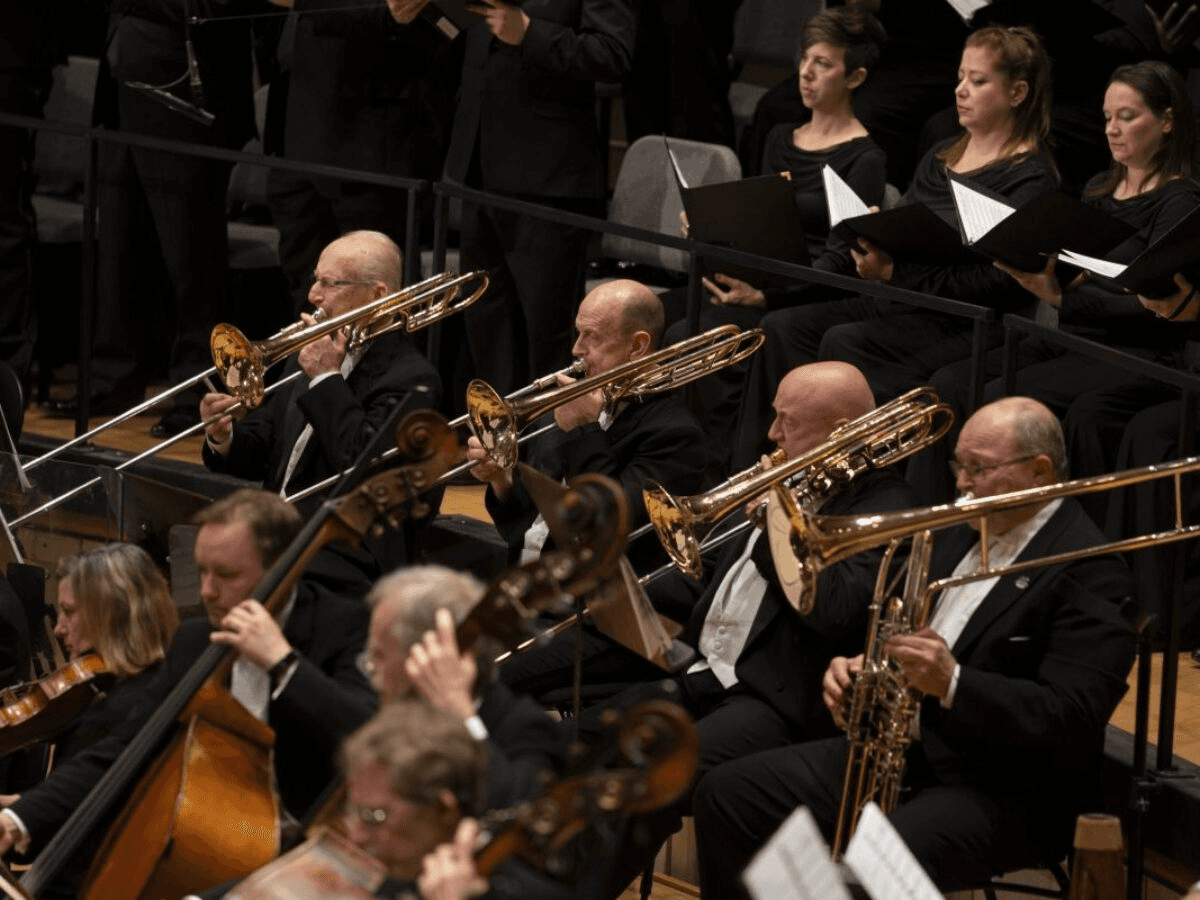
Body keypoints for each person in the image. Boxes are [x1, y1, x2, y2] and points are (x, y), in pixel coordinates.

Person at [693, 397, 1137, 897]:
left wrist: (953, 683)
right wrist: (862, 667)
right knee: (728, 794)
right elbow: (900, 635)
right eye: (958, 466)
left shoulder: (1092, 569)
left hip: (1002, 785)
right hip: (901, 751)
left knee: (871, 866)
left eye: (979, 469)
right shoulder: (955, 532)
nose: (962, 484)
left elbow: (1073, 715)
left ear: (1040, 470)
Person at [589, 361, 919, 898]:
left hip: (777, 700)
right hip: (705, 672)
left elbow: (833, 609)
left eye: (787, 421)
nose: (771, 434)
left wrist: (774, 526)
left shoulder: (887, 509)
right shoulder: (800, 479)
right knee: (590, 742)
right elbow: (714, 582)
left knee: (650, 778)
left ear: (840, 430)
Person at [0, 489, 377, 872]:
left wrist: (282, 662)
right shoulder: (196, 640)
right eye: (202, 572)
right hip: (208, 845)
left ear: (284, 567)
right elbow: (123, 748)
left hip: (311, 853)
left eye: (225, 575)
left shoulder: (345, 626)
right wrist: (19, 818)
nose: (206, 591)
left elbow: (369, 739)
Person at [734, 25, 1058, 467]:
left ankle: (839, 474)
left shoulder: (1030, 178)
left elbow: (1000, 283)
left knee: (844, 341)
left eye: (978, 80)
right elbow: (904, 230)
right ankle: (763, 466)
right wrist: (873, 234)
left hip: (962, 320)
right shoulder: (941, 154)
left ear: (1017, 92)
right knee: (782, 327)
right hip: (902, 298)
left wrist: (894, 272)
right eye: (961, 77)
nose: (961, 90)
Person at [915, 61, 1200, 506]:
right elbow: (1081, 275)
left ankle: (1015, 513)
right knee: (951, 381)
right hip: (1071, 335)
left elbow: (1154, 309)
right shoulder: (1098, 188)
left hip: (1133, 351)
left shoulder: (1180, 200)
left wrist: (1063, 297)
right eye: (1107, 117)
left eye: (1127, 117)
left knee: (1001, 398)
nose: (1111, 129)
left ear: (1166, 121)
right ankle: (939, 510)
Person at [669, 4, 887, 472]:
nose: (806, 72)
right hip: (758, 281)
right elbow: (755, 216)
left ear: (855, 77)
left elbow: (841, 261)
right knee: (673, 318)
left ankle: (719, 471)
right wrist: (710, 226)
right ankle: (670, 463)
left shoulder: (865, 158)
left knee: (705, 338)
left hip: (804, 295)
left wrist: (767, 294)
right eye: (805, 58)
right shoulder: (780, 136)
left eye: (822, 63)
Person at [48, 0, 255, 437]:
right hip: (124, 89)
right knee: (118, 245)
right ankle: (113, 379)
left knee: (191, 259)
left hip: (185, 96)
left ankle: (198, 391)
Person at [202, 230, 441, 588]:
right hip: (281, 536)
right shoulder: (310, 353)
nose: (313, 295)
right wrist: (223, 436)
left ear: (378, 294)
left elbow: (360, 463)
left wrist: (327, 378)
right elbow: (266, 447)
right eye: (316, 280)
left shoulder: (411, 378)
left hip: (346, 552)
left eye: (330, 283)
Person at [440, 0, 636, 406]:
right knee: (485, 322)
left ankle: (548, 440)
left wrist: (530, 33)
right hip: (479, 165)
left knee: (548, 335)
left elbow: (613, 55)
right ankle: (496, 436)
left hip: (548, 176)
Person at [466, 279, 708, 576]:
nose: (576, 348)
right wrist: (501, 481)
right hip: (528, 578)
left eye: (591, 337)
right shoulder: (569, 405)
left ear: (637, 346)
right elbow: (531, 524)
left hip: (591, 594)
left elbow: (605, 528)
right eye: (578, 333)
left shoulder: (675, 435)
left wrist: (585, 430)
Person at [0, 543, 178, 898]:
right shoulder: (121, 690)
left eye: (69, 612)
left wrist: (18, 816)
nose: (59, 629)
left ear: (112, 613)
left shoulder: (127, 706)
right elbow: (89, 797)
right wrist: (17, 802)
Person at [266, 0, 459, 316]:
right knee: (308, 290)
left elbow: (409, 14)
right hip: (298, 135)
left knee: (381, 298)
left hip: (375, 142)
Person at [361, 564, 567, 810]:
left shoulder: (525, 728)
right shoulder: (389, 713)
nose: (371, 670)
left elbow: (515, 809)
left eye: (379, 655)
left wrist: (458, 713)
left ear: (432, 656)